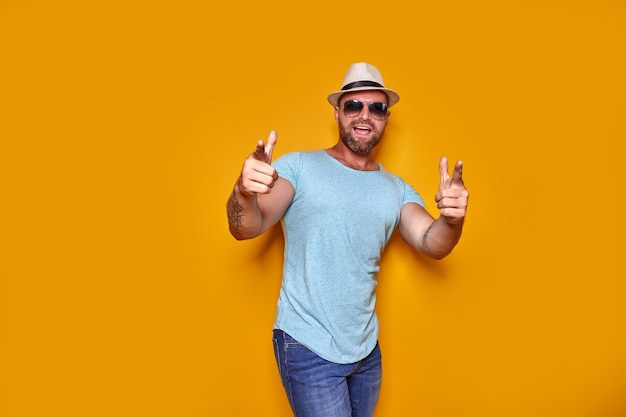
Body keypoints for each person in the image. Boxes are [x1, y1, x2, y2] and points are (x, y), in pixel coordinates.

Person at [226, 62, 469, 417]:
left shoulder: (397, 188)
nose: (365, 115)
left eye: (377, 107)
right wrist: (243, 191)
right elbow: (246, 227)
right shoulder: (298, 167)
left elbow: (432, 243)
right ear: (337, 111)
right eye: (354, 104)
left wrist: (452, 219)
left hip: (366, 351)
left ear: (386, 117)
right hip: (307, 343)